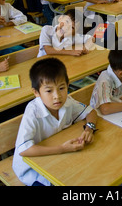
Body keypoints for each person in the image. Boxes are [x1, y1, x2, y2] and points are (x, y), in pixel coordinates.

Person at [13, 57, 98, 186]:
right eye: (49, 91)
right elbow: (25, 150)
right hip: (32, 167)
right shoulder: (33, 112)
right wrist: (61, 149)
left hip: (56, 156)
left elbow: (91, 112)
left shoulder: (67, 101)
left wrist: (89, 129)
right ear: (36, 92)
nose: (57, 96)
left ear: (68, 85)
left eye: (61, 88)